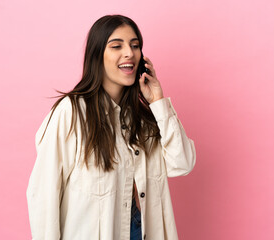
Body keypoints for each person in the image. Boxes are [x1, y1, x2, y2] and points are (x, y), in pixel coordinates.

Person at [26, 14, 196, 240]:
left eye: (135, 46)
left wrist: (158, 102)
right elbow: (43, 194)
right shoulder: (71, 113)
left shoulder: (144, 119)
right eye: (117, 46)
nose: (129, 53)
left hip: (139, 231)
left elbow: (182, 164)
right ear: (98, 56)